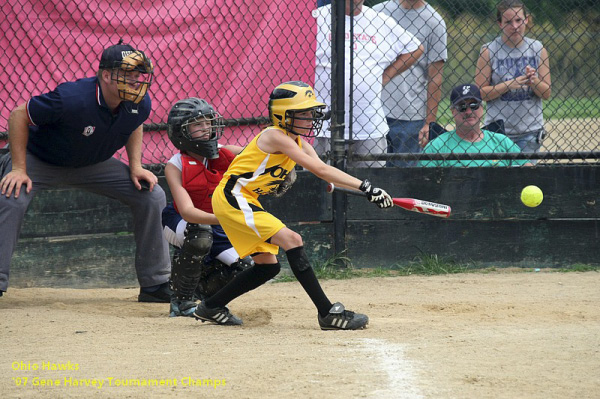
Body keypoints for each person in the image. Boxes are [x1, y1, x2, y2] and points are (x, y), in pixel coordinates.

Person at [193, 81, 393, 330]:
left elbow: (325, 171)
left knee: (268, 267)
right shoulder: (275, 135)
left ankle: (210, 306)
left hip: (244, 199)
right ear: (282, 115)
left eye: (311, 113)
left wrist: (358, 188)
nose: (311, 119)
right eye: (304, 113)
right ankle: (328, 313)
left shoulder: (299, 142)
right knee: (293, 239)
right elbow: (321, 169)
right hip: (233, 197)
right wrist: (367, 187)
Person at [0, 41, 172, 301]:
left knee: (152, 195)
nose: (136, 80)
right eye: (128, 74)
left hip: (93, 164)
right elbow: (17, 115)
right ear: (105, 75)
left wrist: (136, 165)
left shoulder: (138, 101)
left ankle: (155, 285)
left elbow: (134, 123)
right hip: (41, 160)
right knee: (11, 198)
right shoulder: (72, 98)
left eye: (139, 74)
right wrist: (19, 168)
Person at [162, 97, 253, 317]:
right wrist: (228, 219)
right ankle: (181, 302)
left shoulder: (226, 152)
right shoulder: (174, 165)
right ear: (181, 132)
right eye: (197, 124)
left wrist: (282, 166)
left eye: (208, 122)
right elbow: (187, 212)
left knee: (250, 267)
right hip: (180, 222)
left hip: (217, 222)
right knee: (200, 233)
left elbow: (260, 156)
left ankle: (204, 295)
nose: (205, 129)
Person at [313, 0, 423, 167]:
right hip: (323, 123)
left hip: (369, 125)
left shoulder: (379, 21)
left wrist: (386, 76)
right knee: (322, 185)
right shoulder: (317, 18)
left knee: (370, 185)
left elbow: (416, 48)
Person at [372, 0, 447, 166]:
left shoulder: (434, 22)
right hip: (373, 110)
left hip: (410, 117)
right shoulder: (378, 12)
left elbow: (435, 78)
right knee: (371, 174)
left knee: (403, 180)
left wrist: (429, 123)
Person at [475, 0, 551, 154]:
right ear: (500, 24)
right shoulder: (489, 51)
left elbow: (546, 93)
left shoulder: (538, 49)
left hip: (530, 131)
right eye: (508, 21)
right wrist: (508, 85)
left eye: (518, 20)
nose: (515, 26)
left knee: (526, 177)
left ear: (526, 20)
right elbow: (479, 93)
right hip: (497, 132)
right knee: (499, 177)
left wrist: (533, 81)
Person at [419, 84, 531, 167]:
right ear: (453, 111)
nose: (468, 111)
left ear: (482, 108)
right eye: (462, 107)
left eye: (473, 105)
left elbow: (528, 169)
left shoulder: (501, 141)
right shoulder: (437, 146)